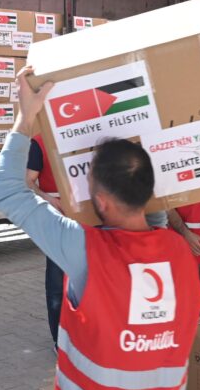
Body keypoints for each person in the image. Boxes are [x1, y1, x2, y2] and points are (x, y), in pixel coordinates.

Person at [0, 67, 200, 390]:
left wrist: (26, 118)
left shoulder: (85, 249)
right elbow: (154, 218)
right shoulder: (181, 252)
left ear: (102, 202)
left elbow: (7, 193)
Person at [27, 136, 180, 348]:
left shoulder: (101, 136)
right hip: (65, 221)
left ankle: (97, 331)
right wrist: (49, 199)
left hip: (100, 222)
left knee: (102, 281)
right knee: (57, 286)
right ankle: (60, 339)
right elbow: (27, 180)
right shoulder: (40, 142)